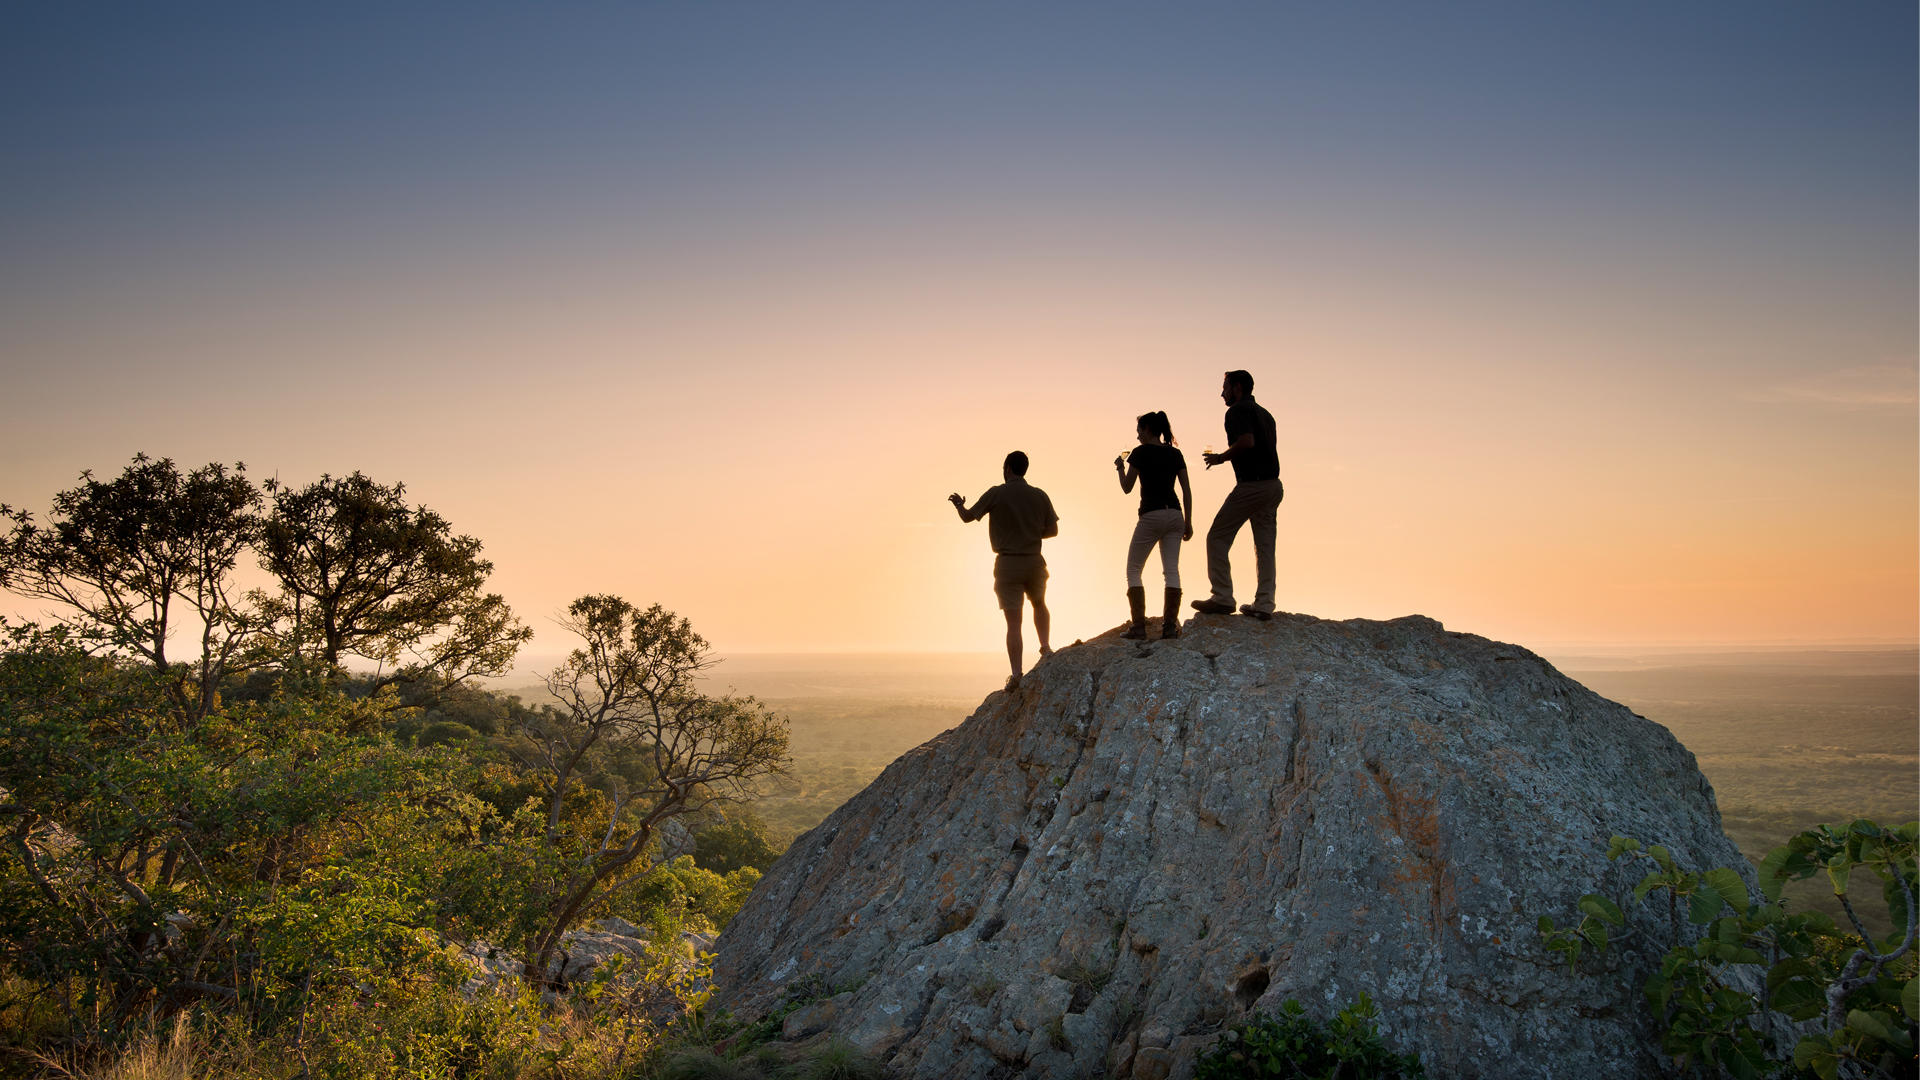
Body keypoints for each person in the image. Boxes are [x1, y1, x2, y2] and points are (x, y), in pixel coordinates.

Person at [949, 451, 1059, 690]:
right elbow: (1053, 531)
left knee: (1013, 623)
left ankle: (1017, 674)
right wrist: (1029, 532)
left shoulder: (997, 493)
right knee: (1039, 603)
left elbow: (968, 517)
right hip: (1034, 560)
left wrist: (959, 505)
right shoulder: (1039, 495)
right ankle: (1046, 648)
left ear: (1008, 468)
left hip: (1008, 563)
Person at [1193, 369, 1284, 619]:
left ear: (1238, 387)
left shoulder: (1237, 411)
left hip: (1251, 486)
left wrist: (1221, 458)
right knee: (1265, 547)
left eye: (1225, 387)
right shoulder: (1266, 414)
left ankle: (1222, 596)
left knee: (1217, 537)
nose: (1221, 392)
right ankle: (1264, 604)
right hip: (1273, 486)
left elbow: (1247, 442)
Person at [1113, 410, 1192, 640]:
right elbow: (1186, 489)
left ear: (1147, 429)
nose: (1137, 435)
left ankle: (1138, 627)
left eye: (1139, 430)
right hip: (1175, 514)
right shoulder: (1175, 454)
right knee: (1171, 570)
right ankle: (1169, 627)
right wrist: (1189, 521)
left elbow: (1127, 487)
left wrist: (1120, 468)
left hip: (1151, 514)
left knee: (1134, 569)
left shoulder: (1140, 453)